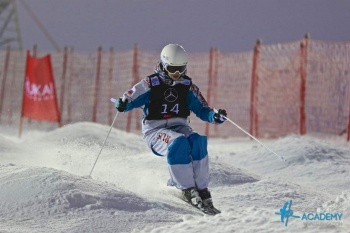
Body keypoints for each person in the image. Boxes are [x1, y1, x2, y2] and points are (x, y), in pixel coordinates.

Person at [115, 44, 227, 210]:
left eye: (181, 69)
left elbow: (202, 109)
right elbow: (131, 98)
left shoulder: (187, 87)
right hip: (155, 131)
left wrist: (214, 116)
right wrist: (123, 103)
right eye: (173, 69)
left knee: (198, 141)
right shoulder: (150, 84)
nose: (177, 74)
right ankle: (187, 188)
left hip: (179, 126)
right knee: (178, 143)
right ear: (163, 65)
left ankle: (202, 189)